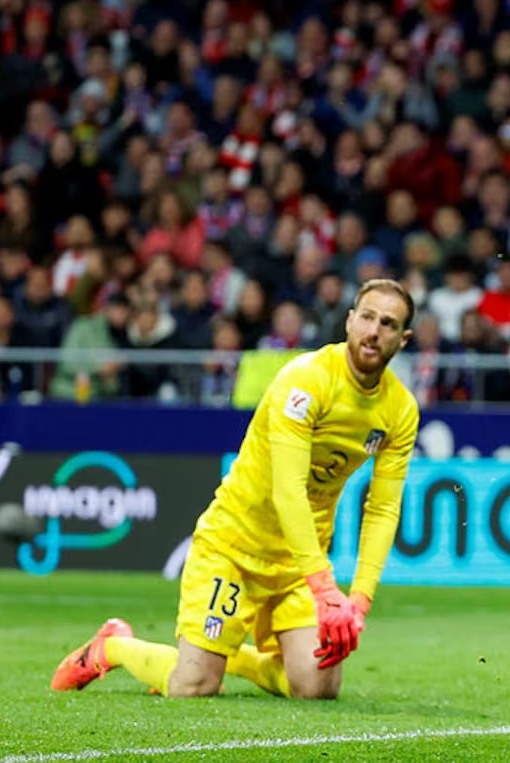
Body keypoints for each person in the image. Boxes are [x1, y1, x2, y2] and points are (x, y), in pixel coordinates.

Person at [50, 279, 420, 699]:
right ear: (350, 320)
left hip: (297, 563)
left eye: (388, 324)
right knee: (192, 686)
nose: (374, 331)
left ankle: (231, 656)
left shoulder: (400, 410)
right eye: (367, 317)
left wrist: (358, 602)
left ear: (403, 339)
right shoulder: (306, 381)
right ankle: (112, 646)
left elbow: (383, 509)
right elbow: (288, 492)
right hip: (234, 548)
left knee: (318, 687)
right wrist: (324, 588)